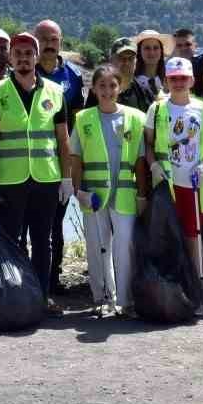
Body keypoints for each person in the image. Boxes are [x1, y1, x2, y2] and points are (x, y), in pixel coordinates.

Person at [0, 32, 73, 313]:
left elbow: (62, 138)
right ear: (10, 58)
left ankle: (41, 296)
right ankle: (13, 294)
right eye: (17, 53)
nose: (23, 58)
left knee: (43, 241)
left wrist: (67, 177)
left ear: (36, 57)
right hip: (11, 180)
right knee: (12, 241)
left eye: (28, 53)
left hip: (46, 178)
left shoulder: (55, 92)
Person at [68, 63, 148, 316]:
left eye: (112, 85)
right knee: (97, 246)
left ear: (120, 86)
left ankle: (125, 301)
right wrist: (77, 190)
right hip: (94, 194)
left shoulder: (136, 117)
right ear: (94, 88)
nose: (107, 90)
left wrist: (143, 194)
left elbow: (140, 160)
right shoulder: (83, 118)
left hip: (125, 193)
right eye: (101, 85)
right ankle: (102, 297)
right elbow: (76, 158)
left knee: (125, 248)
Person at [142, 56, 203, 291]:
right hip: (166, 183)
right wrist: (154, 165)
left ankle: (195, 283)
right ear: (166, 80)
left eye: (183, 78)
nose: (178, 83)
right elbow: (147, 143)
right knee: (167, 235)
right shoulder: (156, 109)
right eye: (173, 78)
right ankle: (171, 284)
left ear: (191, 80)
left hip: (193, 184)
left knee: (192, 235)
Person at [34, 19, 85, 296]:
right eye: (44, 38)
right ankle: (30, 279)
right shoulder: (24, 73)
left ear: (61, 42)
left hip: (62, 164)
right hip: (31, 163)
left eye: (54, 39)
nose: (49, 44)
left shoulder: (74, 76)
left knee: (55, 224)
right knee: (32, 225)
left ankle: (53, 279)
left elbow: (78, 121)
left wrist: (74, 165)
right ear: (35, 41)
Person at [84, 37, 154, 112]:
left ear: (136, 61)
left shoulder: (143, 91)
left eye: (131, 58)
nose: (126, 63)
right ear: (111, 60)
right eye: (121, 58)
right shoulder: (99, 91)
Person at [134, 30, 171, 101]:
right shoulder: (133, 82)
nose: (152, 52)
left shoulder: (170, 79)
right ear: (139, 51)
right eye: (147, 48)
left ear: (161, 51)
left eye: (156, 48)